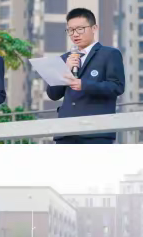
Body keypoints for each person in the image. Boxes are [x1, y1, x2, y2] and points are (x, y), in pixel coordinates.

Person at [46, 8, 125, 144]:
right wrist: (65, 69)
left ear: (94, 28)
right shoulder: (65, 59)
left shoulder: (109, 54)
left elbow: (117, 87)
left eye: (80, 29)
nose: (75, 34)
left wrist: (84, 85)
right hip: (66, 130)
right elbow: (53, 94)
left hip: (96, 130)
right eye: (70, 30)